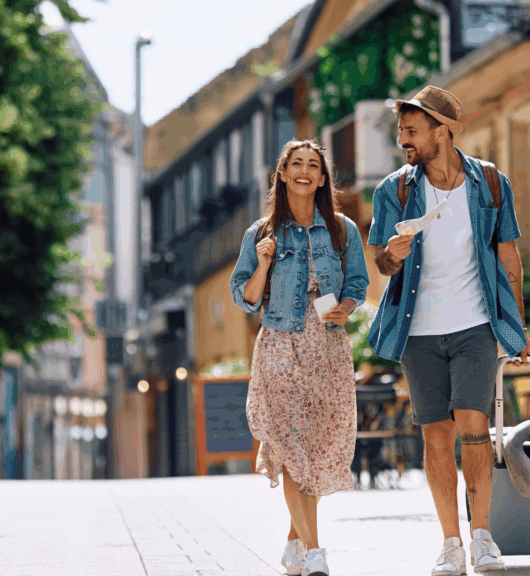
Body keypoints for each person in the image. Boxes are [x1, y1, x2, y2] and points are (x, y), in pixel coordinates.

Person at [366, 86, 530, 575]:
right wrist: (390, 257)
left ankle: (482, 537)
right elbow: (381, 262)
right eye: (401, 131)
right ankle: (450, 544)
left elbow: (508, 255)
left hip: (474, 325)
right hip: (418, 332)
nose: (404, 140)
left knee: (474, 428)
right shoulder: (393, 191)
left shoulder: (490, 184)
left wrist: (516, 327)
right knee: (436, 435)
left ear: (443, 131)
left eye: (412, 131)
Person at [230, 139, 369, 576]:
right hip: (281, 343)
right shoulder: (261, 233)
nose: (305, 171)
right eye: (296, 164)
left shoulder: (341, 228)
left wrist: (345, 307)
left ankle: (294, 542)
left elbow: (359, 283)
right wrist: (263, 264)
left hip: (326, 345)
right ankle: (314, 550)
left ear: (323, 178)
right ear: (283, 174)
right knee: (291, 446)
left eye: (313, 165)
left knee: (319, 444)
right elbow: (246, 298)